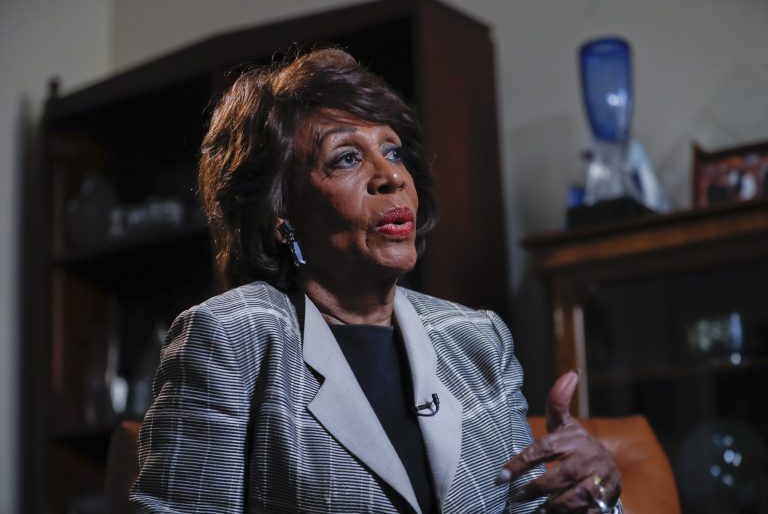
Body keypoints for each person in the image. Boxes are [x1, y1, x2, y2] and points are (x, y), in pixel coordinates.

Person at [131, 48, 622, 513]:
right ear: (281, 213)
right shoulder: (233, 338)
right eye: (346, 157)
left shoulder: (477, 341)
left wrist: (589, 493)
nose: (390, 176)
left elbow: (533, 503)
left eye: (393, 151)